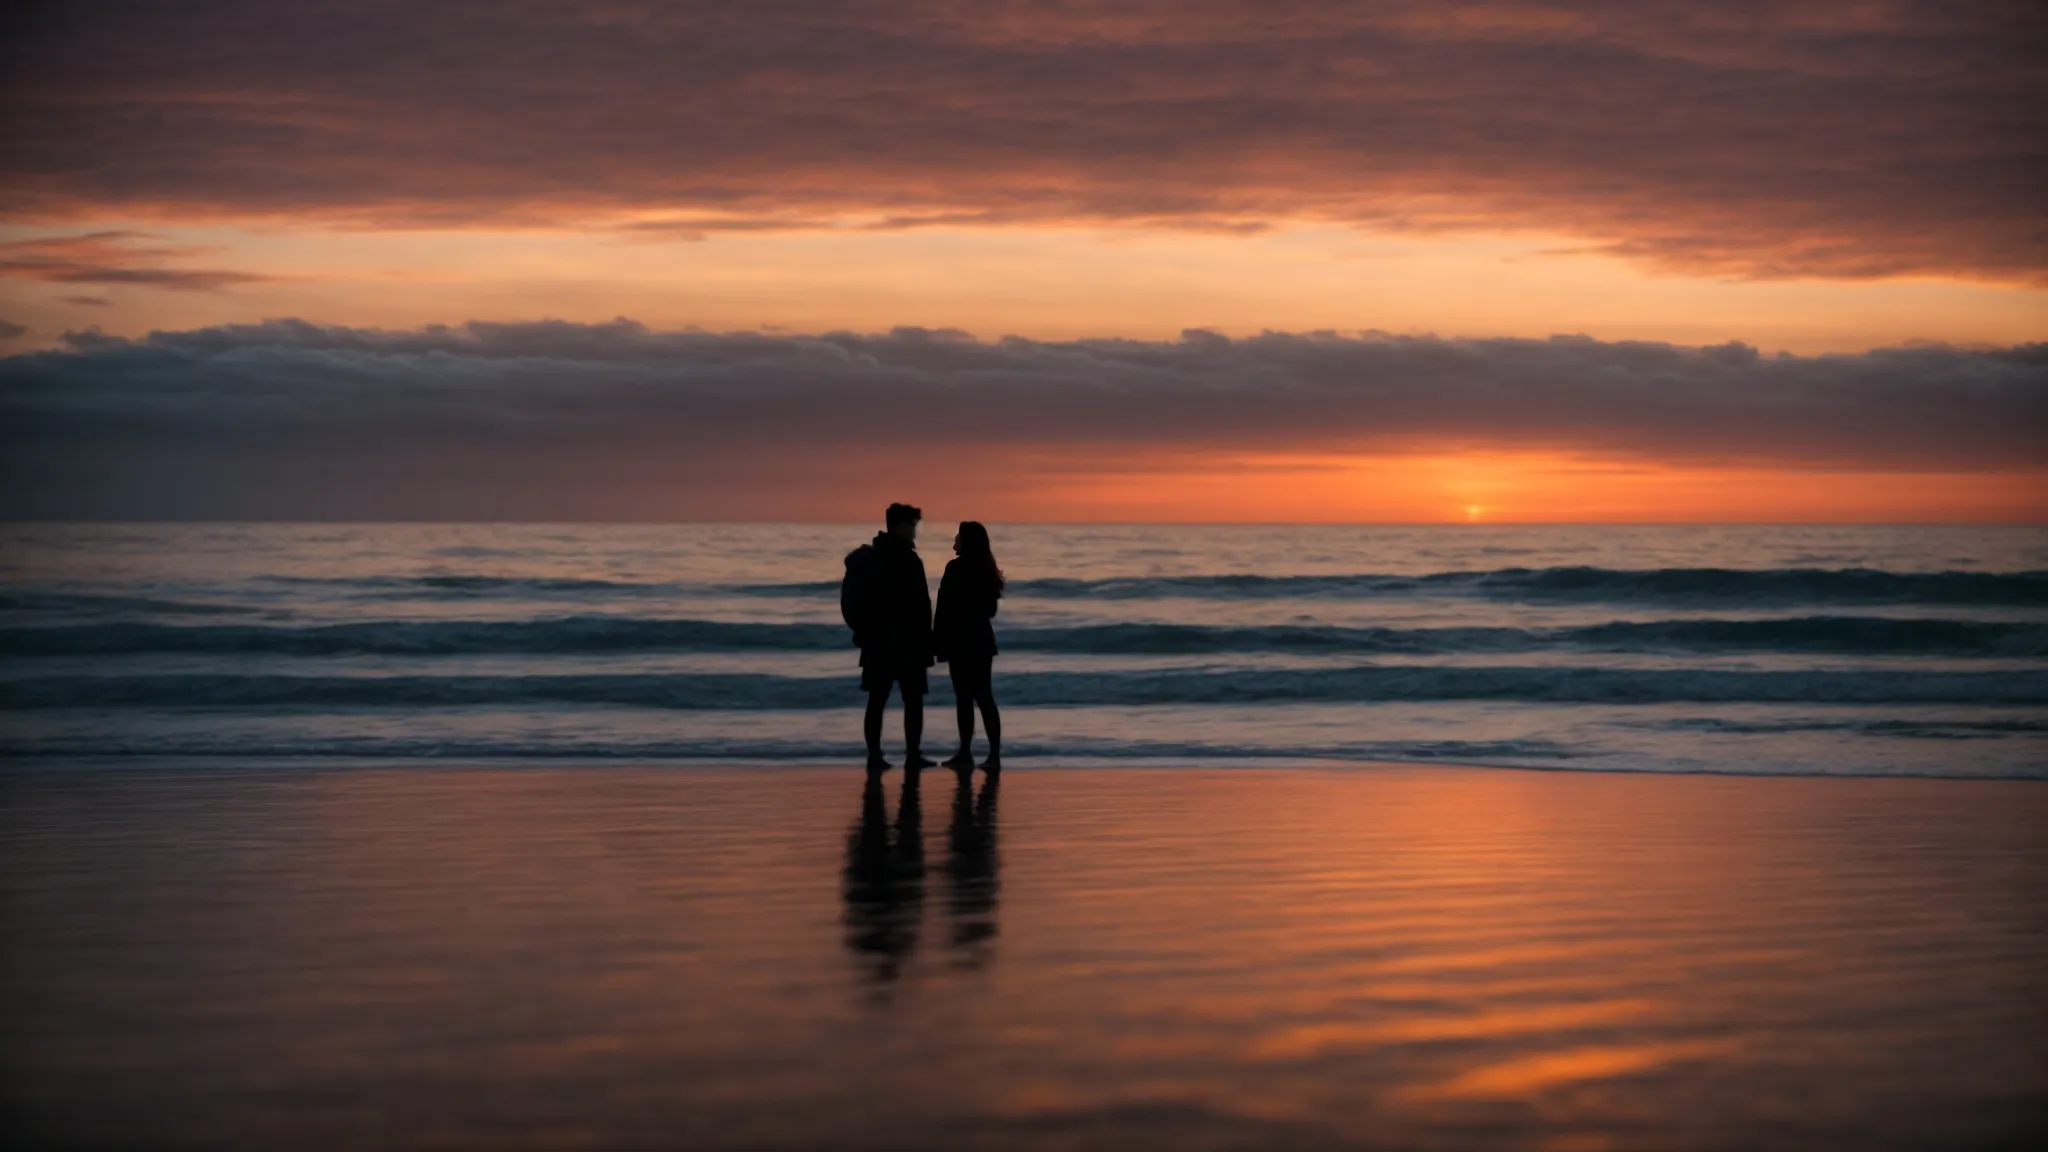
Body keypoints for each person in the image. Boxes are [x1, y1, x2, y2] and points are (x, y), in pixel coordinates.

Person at [842, 502, 936, 772]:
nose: (915, 531)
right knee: (912, 701)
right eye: (912, 526)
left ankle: (875, 756)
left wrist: (865, 632)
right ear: (901, 526)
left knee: (877, 700)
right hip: (906, 642)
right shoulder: (905, 558)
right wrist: (927, 640)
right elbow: (920, 606)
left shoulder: (872, 557)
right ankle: (912, 755)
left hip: (877, 642)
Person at [933, 520, 1003, 772]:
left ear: (967, 540)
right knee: (984, 696)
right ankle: (994, 754)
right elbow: (990, 610)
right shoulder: (987, 570)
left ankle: (965, 752)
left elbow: (944, 608)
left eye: (958, 536)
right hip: (982, 640)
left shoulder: (955, 568)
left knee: (964, 698)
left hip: (960, 641)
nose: (954, 541)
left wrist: (938, 641)